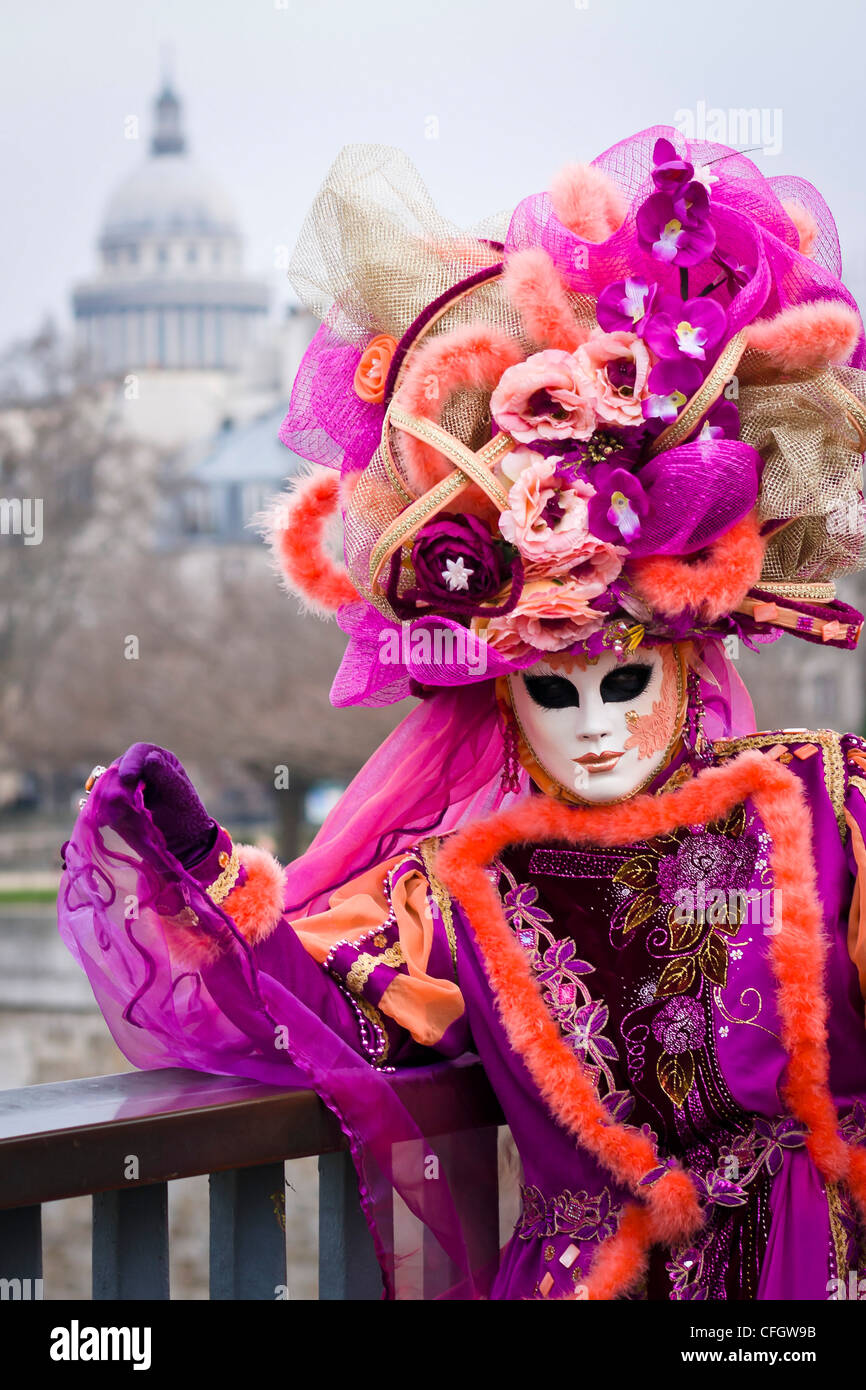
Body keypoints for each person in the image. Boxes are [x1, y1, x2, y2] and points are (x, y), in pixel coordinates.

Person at [59, 127, 866, 1300]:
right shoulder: (470, 884)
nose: (592, 724)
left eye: (624, 681)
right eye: (552, 688)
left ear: (688, 668)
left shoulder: (821, 800)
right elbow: (323, 1011)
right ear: (502, 695)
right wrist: (192, 870)